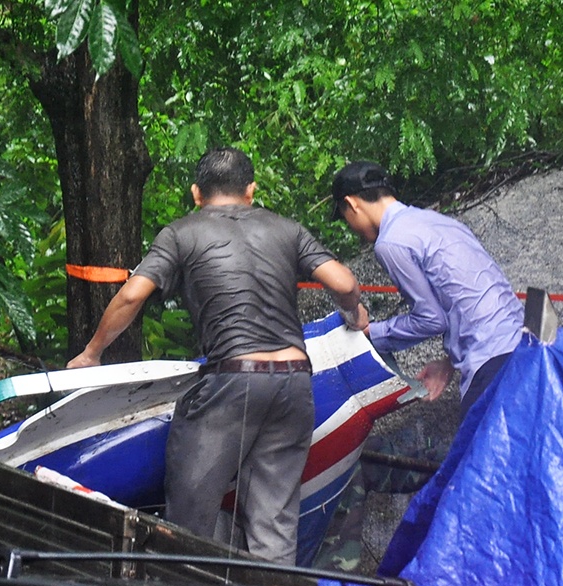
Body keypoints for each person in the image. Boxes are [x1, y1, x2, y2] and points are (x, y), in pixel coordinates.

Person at [68, 147, 367, 564]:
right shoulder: (286, 228)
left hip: (233, 379)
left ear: (196, 193)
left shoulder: (180, 233)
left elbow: (133, 292)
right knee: (275, 523)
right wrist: (354, 312)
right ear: (251, 190)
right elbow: (344, 282)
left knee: (189, 518)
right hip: (296, 381)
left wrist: (91, 353)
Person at [330, 160, 525, 418]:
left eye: (345, 218)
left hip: (492, 369)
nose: (350, 226)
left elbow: (431, 320)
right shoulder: (439, 222)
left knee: (480, 455)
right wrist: (449, 363)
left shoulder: (391, 242)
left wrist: (370, 333)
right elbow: (474, 295)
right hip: (526, 346)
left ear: (352, 204)